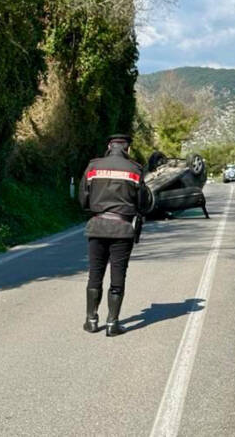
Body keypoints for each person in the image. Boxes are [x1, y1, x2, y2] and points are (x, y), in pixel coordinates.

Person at [78, 134, 147, 337]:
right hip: (122, 229)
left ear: (109, 146)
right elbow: (142, 203)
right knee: (118, 276)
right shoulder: (135, 169)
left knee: (95, 274)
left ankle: (91, 321)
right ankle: (112, 323)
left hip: (97, 226)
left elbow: (83, 200)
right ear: (128, 149)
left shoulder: (93, 167)